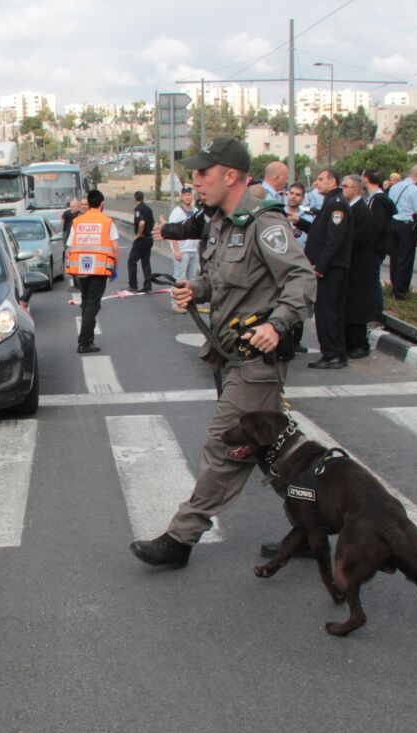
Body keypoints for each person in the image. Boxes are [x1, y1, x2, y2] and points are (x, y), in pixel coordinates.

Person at [129, 135, 316, 571]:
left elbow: (302, 279)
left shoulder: (264, 224)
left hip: (258, 359)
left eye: (202, 173)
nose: (195, 182)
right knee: (269, 452)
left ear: (230, 175)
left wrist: (277, 322)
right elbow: (221, 280)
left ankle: (181, 536)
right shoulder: (220, 222)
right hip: (229, 355)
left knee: (224, 443)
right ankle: (314, 524)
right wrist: (193, 288)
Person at [303, 168, 353, 369]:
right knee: (333, 312)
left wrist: (321, 266)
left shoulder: (336, 205)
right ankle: (337, 352)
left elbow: (334, 239)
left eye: (321, 179)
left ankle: (331, 353)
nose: (317, 183)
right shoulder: (331, 203)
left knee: (327, 312)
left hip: (332, 268)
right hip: (332, 267)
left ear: (333, 181)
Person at [66, 189, 119, 353]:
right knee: (93, 304)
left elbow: (69, 247)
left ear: (88, 203)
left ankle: (88, 339)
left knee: (86, 302)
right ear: (102, 204)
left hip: (82, 268)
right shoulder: (107, 221)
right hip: (99, 268)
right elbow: (115, 248)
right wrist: (115, 268)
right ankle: (84, 341)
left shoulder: (78, 221)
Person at [341, 174, 375, 359]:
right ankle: (349, 343)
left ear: (356, 189)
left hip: (359, 267)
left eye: (345, 186)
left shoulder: (362, 211)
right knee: (348, 306)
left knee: (356, 307)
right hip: (350, 266)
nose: (342, 189)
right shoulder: (349, 209)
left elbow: (358, 238)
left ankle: (360, 344)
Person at [387, 163, 417, 300]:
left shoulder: (395, 187)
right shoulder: (414, 190)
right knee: (405, 259)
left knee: (394, 258)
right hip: (407, 226)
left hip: (393, 223)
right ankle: (401, 291)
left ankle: (394, 286)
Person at [363, 168, 396, 322]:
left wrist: (370, 245)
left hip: (375, 249)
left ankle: (376, 315)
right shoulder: (375, 198)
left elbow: (377, 226)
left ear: (366, 179)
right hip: (377, 247)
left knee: (372, 281)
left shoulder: (378, 200)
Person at [168, 186, 200, 283]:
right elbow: (172, 231)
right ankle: (175, 298)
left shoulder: (195, 211)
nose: (187, 197)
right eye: (185, 195)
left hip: (194, 250)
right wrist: (176, 250)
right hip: (182, 251)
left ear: (192, 196)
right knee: (180, 279)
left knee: (193, 280)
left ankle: (190, 299)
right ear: (181, 197)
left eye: (189, 195)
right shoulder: (177, 212)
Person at [128, 190, 155, 292]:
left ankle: (133, 285)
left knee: (131, 260)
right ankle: (148, 286)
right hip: (149, 239)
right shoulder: (149, 209)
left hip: (142, 239)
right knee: (145, 262)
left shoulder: (138, 209)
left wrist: (138, 234)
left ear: (135, 198)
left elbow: (142, 223)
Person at [284, 182, 309, 249]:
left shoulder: (309, 218)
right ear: (287, 194)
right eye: (291, 193)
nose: (293, 196)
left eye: (297, 195)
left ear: (303, 198)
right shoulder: (279, 213)